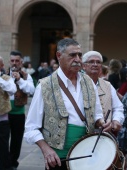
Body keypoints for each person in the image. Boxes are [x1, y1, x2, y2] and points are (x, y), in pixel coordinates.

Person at [24, 38, 108, 170]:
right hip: (59, 158)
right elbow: (31, 127)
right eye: (72, 55)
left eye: (79, 55)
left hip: (87, 154)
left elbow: (97, 113)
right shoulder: (45, 86)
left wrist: (102, 122)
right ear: (59, 56)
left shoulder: (89, 82)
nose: (78, 59)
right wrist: (46, 150)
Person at [82, 51, 124, 134]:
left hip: (105, 135)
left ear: (101, 66)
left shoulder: (107, 85)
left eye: (98, 62)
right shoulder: (77, 84)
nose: (95, 64)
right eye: (91, 62)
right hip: (83, 135)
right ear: (84, 66)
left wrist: (116, 120)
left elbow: (118, 107)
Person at [8, 50, 35, 169]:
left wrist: (19, 80)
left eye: (17, 61)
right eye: (12, 60)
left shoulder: (26, 76)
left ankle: (13, 162)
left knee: (16, 139)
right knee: (3, 140)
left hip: (18, 113)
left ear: (21, 62)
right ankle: (5, 161)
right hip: (3, 113)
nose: (14, 63)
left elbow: (31, 90)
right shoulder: (3, 74)